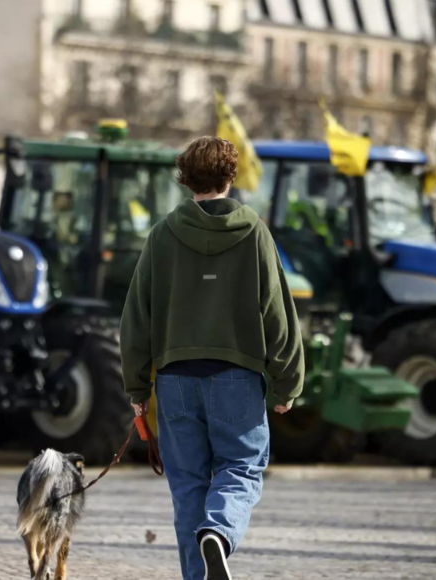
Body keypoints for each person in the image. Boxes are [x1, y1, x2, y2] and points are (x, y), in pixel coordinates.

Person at [120, 137, 305, 580]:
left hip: (174, 380)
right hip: (237, 378)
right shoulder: (255, 232)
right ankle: (219, 533)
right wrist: (287, 383)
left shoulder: (162, 234)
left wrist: (136, 389)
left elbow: (136, 316)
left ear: (185, 179)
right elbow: (277, 311)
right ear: (230, 176)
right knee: (241, 467)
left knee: (187, 489)